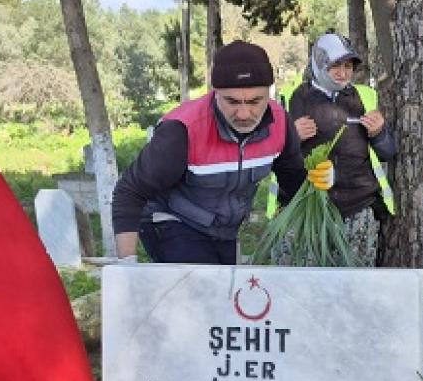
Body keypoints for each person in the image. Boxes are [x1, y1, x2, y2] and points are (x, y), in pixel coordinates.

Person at [111, 41, 329, 264]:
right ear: (215, 93)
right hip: (172, 220)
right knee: (203, 282)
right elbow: (129, 190)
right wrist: (127, 266)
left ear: (269, 93)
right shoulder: (182, 129)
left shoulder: (280, 122)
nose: (244, 114)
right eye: (232, 101)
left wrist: (320, 182)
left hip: (225, 229)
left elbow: (292, 180)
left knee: (226, 285)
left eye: (255, 101)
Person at [276, 32, 396, 265]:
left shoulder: (365, 96)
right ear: (318, 64)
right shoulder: (292, 98)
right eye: (335, 66)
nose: (343, 73)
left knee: (354, 282)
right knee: (305, 281)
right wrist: (291, 137)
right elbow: (272, 155)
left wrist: (379, 133)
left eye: (348, 66)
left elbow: (388, 152)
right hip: (305, 209)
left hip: (357, 209)